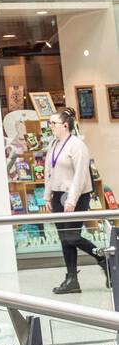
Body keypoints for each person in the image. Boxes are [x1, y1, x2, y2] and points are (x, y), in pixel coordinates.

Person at [43, 108, 110, 294]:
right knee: (64, 239)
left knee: (71, 236)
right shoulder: (53, 145)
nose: (50, 127)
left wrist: (71, 201)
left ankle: (104, 259)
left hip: (77, 196)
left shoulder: (77, 146)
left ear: (65, 125)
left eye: (53, 123)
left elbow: (80, 176)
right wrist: (47, 195)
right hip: (58, 195)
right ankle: (72, 279)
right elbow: (50, 171)